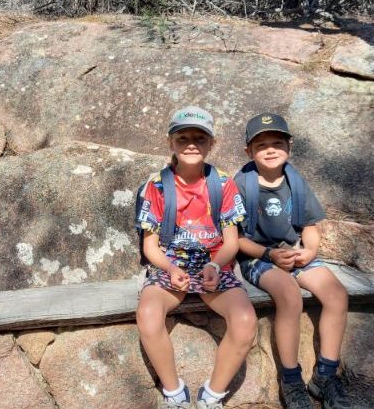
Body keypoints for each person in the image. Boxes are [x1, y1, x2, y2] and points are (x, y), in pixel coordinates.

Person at [135, 106, 257, 409]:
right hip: (171, 265)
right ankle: (174, 393)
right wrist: (169, 266)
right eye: (183, 137)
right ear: (170, 142)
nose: (191, 144)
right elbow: (150, 247)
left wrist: (216, 265)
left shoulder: (223, 184)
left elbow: (230, 242)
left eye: (200, 138)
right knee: (149, 317)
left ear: (211, 143)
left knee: (244, 322)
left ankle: (211, 397)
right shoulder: (157, 186)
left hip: (213, 267)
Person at [234, 113, 349, 409]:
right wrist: (269, 254)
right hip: (257, 256)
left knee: (336, 295)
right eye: (261, 145)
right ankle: (291, 379)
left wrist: (309, 251)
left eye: (277, 143)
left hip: (296, 252)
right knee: (289, 295)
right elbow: (233, 238)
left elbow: (310, 226)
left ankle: (325, 375)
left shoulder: (295, 181)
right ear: (249, 151)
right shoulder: (240, 185)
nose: (270, 150)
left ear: (289, 146)